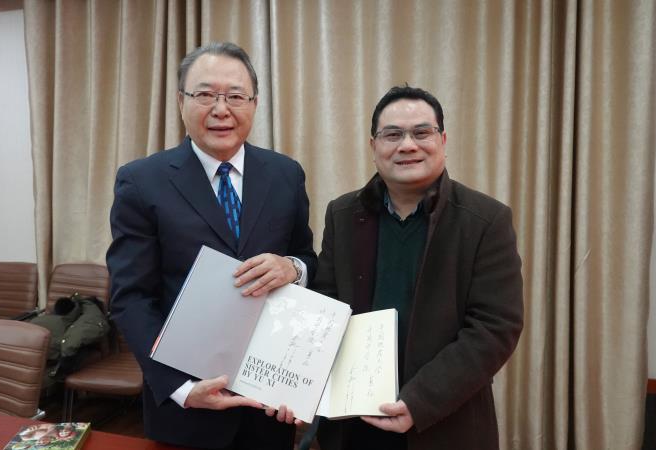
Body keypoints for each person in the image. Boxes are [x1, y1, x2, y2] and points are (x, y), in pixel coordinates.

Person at [106, 42, 317, 449]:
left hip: (267, 402)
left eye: (235, 96)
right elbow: (131, 297)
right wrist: (181, 389)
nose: (221, 109)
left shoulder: (286, 174)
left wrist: (292, 267)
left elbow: (307, 258)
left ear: (254, 104)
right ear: (181, 102)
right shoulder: (141, 181)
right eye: (205, 94)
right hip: (186, 409)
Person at [313, 85, 523, 450]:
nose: (407, 145)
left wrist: (419, 401)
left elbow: (495, 328)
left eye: (421, 132)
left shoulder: (486, 220)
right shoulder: (342, 214)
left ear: (443, 140)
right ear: (373, 146)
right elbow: (325, 308)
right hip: (354, 424)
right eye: (392, 135)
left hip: (444, 422)